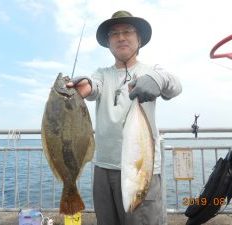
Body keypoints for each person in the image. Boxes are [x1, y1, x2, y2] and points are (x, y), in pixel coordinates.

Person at [67, 10, 182, 225]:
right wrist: (85, 85)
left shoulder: (151, 70)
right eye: (114, 34)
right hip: (103, 168)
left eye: (128, 31)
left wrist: (155, 80)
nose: (121, 37)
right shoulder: (102, 73)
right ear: (108, 43)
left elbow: (175, 86)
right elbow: (93, 86)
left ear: (139, 40)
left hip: (142, 168)